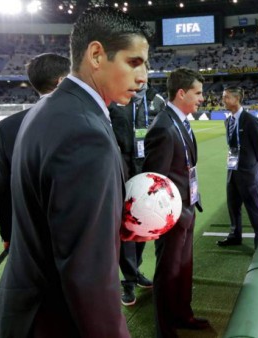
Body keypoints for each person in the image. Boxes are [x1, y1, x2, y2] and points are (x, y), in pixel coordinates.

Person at [0, 7, 151, 337]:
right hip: (53, 320)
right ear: (96, 54)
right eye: (134, 62)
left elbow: (56, 219)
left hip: (25, 309)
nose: (144, 76)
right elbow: (89, 276)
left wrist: (109, 225)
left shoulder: (48, 109)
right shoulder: (85, 131)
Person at [142, 67, 209, 337]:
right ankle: (165, 329)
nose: (202, 98)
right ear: (181, 93)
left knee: (183, 268)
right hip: (172, 215)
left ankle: (183, 315)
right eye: (198, 93)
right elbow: (153, 182)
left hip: (188, 206)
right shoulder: (162, 127)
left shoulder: (179, 120)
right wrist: (172, 214)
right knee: (167, 273)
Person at [0, 53, 70, 257]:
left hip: (28, 235)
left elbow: (2, 187)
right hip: (76, 232)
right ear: (62, 81)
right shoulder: (88, 119)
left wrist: (7, 232)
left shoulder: (8, 126)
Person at [109, 83, 163, 306]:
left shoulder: (155, 101)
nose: (141, 81)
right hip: (122, 167)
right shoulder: (115, 100)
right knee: (126, 227)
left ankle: (135, 270)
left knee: (142, 225)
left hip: (145, 167)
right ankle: (129, 280)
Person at [217, 86, 258, 248]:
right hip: (232, 171)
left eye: (226, 97)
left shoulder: (250, 120)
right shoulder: (228, 120)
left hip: (248, 173)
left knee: (254, 208)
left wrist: (254, 168)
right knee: (233, 206)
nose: (223, 100)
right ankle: (235, 235)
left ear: (236, 99)